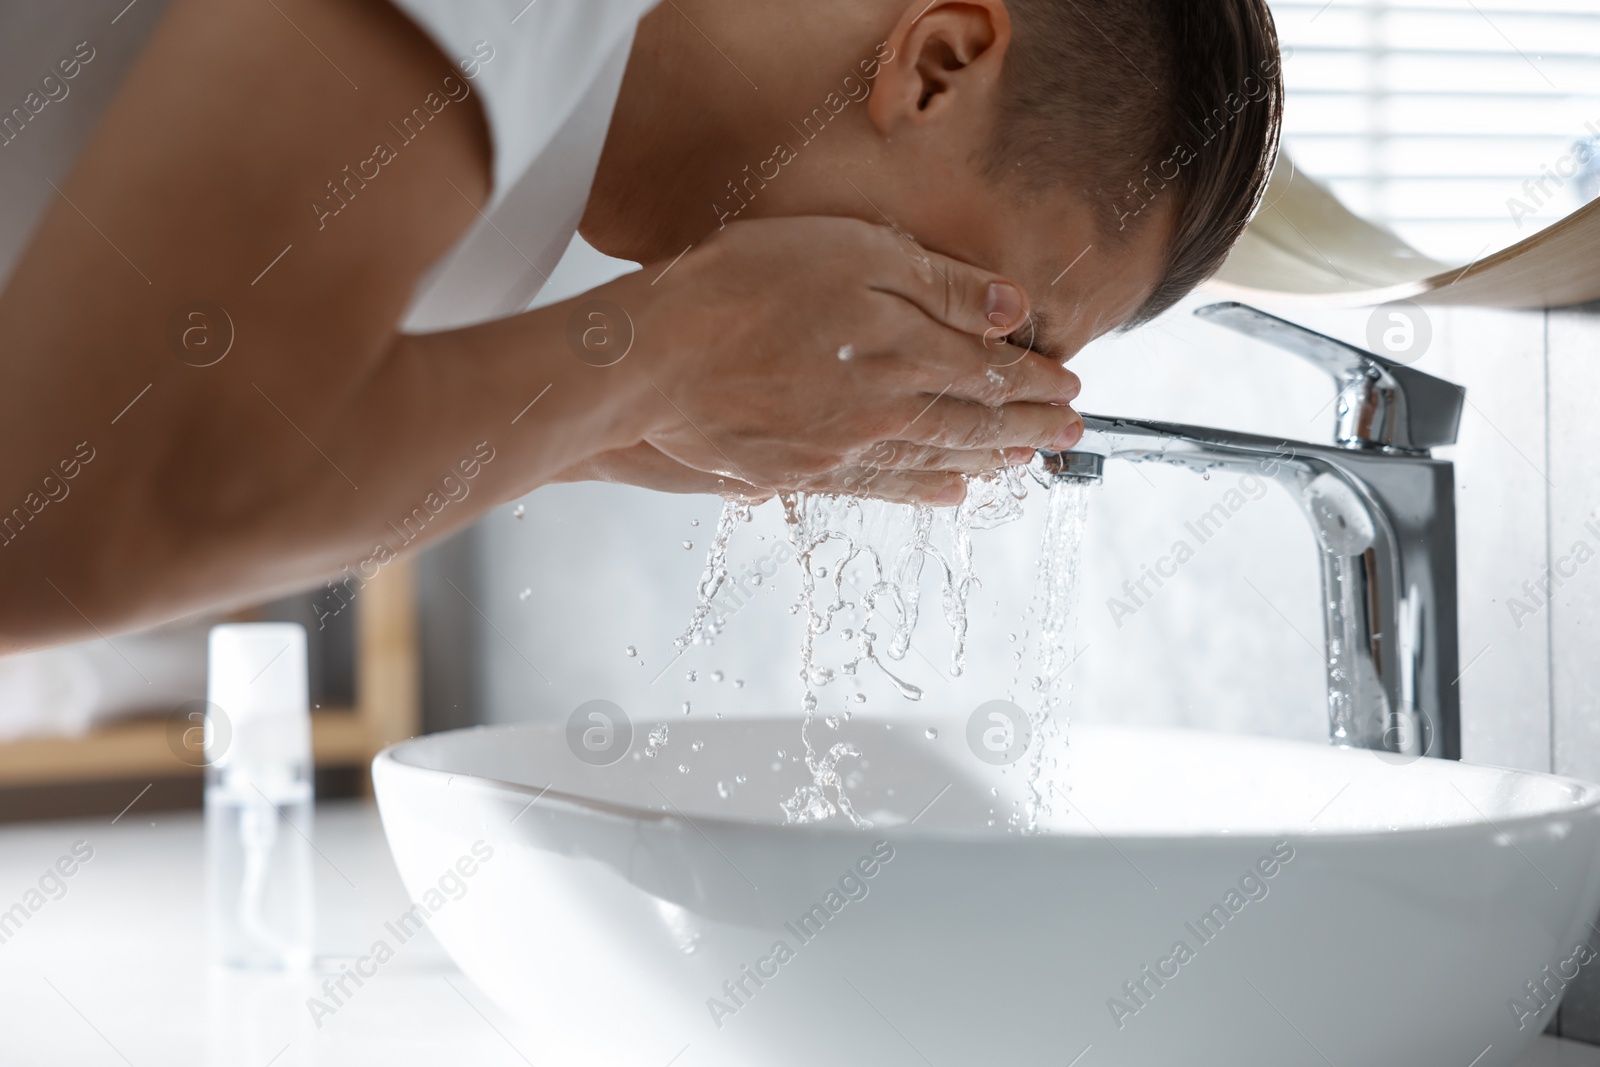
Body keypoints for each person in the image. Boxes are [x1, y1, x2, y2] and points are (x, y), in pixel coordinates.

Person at [0, 0, 1281, 652]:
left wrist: (619, 420)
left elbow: (242, 454)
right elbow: (72, 504)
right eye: (999, 321)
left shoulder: (534, 174)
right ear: (938, 61)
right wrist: (664, 360)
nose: (956, 373)